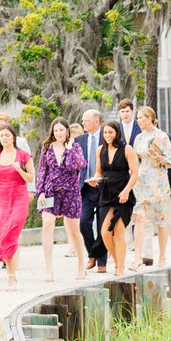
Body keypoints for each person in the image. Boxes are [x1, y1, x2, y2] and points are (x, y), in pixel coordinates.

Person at [128, 108, 171, 271]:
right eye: (137, 118)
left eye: (141, 118)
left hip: (159, 184)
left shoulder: (162, 137)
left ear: (150, 118)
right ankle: (137, 258)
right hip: (142, 184)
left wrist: (157, 156)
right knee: (139, 219)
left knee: (162, 222)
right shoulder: (138, 138)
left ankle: (162, 257)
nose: (138, 121)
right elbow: (135, 159)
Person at [0, 123, 35, 289]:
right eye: (1, 135)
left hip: (19, 198)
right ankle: (10, 276)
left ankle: (5, 268)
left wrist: (20, 170)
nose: (4, 138)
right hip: (1, 200)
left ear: (13, 136)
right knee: (1, 233)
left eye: (7, 135)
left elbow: (31, 179)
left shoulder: (24, 155)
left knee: (11, 233)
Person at [35, 118, 87, 282]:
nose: (59, 133)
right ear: (52, 131)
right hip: (50, 191)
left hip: (70, 191)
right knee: (47, 226)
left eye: (61, 130)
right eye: (56, 130)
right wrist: (40, 191)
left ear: (67, 131)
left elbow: (78, 165)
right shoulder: (47, 148)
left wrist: (69, 149)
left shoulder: (75, 147)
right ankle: (48, 269)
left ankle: (81, 265)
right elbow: (42, 170)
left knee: (74, 231)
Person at [96, 120, 139, 276]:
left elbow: (134, 173)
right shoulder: (100, 150)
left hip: (123, 193)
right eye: (105, 132)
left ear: (117, 133)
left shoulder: (127, 149)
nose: (108, 135)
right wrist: (94, 180)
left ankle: (119, 268)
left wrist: (127, 190)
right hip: (106, 193)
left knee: (119, 231)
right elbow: (99, 172)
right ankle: (118, 261)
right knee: (105, 232)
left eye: (110, 132)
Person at [75, 108, 107, 273]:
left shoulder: (108, 136)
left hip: (104, 187)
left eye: (85, 120)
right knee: (83, 223)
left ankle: (102, 261)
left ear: (96, 122)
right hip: (86, 188)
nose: (83, 123)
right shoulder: (79, 140)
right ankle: (92, 254)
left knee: (103, 225)